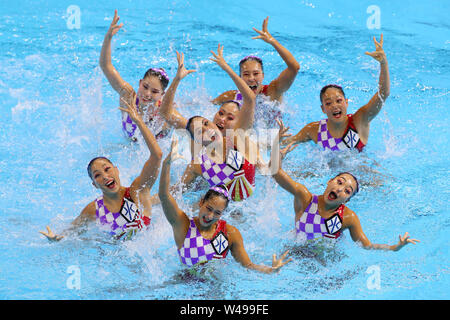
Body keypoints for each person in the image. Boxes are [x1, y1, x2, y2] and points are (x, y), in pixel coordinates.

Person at [270, 120, 419, 250]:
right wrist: (276, 147)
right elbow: (275, 172)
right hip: (297, 250)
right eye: (339, 182)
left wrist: (395, 247)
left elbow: (366, 245)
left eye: (347, 191)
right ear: (329, 181)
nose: (340, 189)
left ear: (347, 200)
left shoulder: (348, 218)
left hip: (325, 260)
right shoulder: (305, 198)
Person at [158, 139, 291, 273]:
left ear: (223, 213)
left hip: (216, 290)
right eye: (209, 209)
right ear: (201, 202)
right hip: (185, 286)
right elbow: (164, 196)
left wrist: (270, 269)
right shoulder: (183, 225)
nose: (210, 216)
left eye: (217, 213)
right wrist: (166, 164)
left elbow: (249, 266)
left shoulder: (230, 233)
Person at [40, 96, 163, 241]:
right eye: (97, 175)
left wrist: (139, 122)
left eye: (107, 169)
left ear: (116, 170)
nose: (105, 176)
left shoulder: (137, 191)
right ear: (94, 184)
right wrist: (56, 238)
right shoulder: (94, 210)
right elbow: (71, 233)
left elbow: (157, 155)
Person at [159, 47, 266, 202]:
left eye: (230, 118)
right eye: (220, 113)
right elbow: (166, 113)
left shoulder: (240, 138)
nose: (221, 120)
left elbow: (250, 99)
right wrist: (177, 79)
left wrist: (226, 67)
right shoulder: (202, 131)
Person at [282, 34, 390, 152]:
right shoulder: (314, 130)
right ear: (323, 109)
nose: (334, 106)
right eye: (328, 103)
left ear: (346, 103)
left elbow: (383, 93)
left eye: (339, 101)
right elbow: (285, 143)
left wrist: (383, 63)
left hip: (358, 169)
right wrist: (277, 138)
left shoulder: (359, 121)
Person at [212, 17, 300, 128]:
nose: (251, 78)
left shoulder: (273, 91)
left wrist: (272, 41)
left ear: (263, 75)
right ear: (240, 78)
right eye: (246, 74)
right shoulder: (232, 96)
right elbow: (207, 105)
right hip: (244, 139)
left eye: (256, 73)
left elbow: (294, 67)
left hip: (273, 141)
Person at [99, 10, 171, 142]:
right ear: (140, 82)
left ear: (162, 94)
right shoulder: (128, 96)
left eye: (155, 91)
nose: (147, 94)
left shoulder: (163, 111)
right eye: (145, 87)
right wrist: (108, 37)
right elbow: (105, 66)